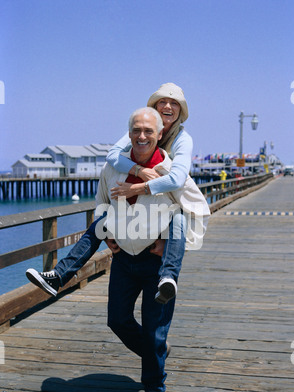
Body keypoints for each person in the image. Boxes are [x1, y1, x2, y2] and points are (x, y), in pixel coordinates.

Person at [26, 83, 207, 304]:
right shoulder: (139, 129)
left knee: (178, 217)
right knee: (102, 221)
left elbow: (178, 180)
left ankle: (169, 276)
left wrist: (138, 187)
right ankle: (58, 275)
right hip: (132, 220)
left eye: (174, 103)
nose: (167, 106)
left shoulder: (182, 140)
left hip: (162, 200)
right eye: (162, 101)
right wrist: (138, 171)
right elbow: (112, 155)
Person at [94, 107, 208, 392]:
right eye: (136, 131)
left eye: (149, 132)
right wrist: (104, 232)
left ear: (160, 135)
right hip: (123, 258)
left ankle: (155, 388)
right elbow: (101, 203)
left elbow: (191, 210)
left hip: (156, 259)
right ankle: (156, 352)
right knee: (117, 319)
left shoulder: (170, 171)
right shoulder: (114, 165)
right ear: (128, 133)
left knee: (154, 328)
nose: (141, 136)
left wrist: (169, 240)